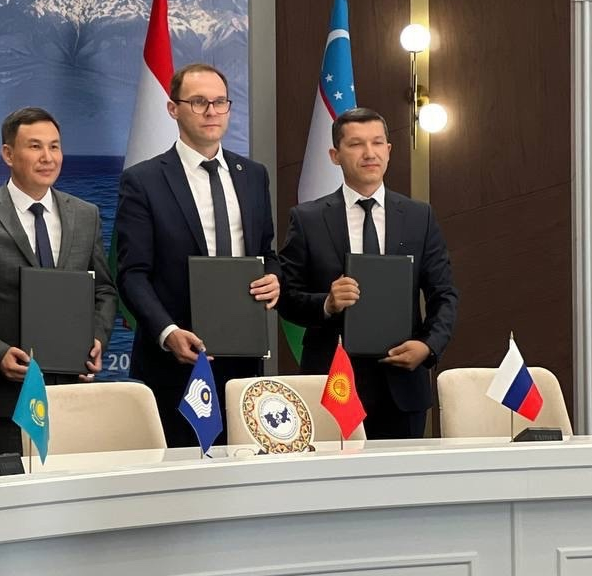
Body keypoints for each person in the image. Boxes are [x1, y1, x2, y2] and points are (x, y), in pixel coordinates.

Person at [0, 107, 117, 459]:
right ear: (8, 154)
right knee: (2, 493)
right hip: (2, 400)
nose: (48, 157)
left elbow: (104, 290)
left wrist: (96, 338)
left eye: (54, 146)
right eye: (35, 146)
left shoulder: (86, 214)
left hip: (72, 396)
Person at [115, 63, 280, 447]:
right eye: (199, 102)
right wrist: (167, 332)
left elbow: (266, 253)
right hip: (174, 363)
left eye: (220, 102)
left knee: (242, 469)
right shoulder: (143, 180)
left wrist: (275, 278)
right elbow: (132, 274)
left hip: (243, 360)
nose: (211, 111)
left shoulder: (253, 175)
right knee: (179, 472)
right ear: (173, 109)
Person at [278, 107, 458, 439]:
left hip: (403, 384)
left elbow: (444, 294)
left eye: (377, 143)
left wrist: (428, 347)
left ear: (389, 150)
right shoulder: (307, 219)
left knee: (401, 474)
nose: (369, 153)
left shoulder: (419, 216)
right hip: (332, 383)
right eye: (356, 144)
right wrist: (327, 303)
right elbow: (286, 298)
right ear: (335, 155)